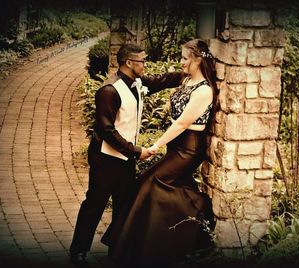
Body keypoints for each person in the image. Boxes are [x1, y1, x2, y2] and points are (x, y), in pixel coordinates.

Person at [101, 39, 218, 267]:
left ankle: (167, 239)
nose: (181, 62)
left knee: (151, 182)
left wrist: (156, 146)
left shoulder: (204, 90)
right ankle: (186, 236)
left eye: (185, 58)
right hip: (177, 146)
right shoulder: (186, 80)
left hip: (188, 148)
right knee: (166, 186)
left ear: (198, 59)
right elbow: (170, 97)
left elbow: (183, 123)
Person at [69, 43, 185, 266]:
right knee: (94, 204)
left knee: (124, 205)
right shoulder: (109, 91)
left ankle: (117, 249)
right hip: (105, 159)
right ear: (129, 63)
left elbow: (160, 81)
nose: (145, 64)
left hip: (125, 160)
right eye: (141, 61)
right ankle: (79, 251)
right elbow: (106, 130)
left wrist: (186, 75)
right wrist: (136, 151)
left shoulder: (138, 83)